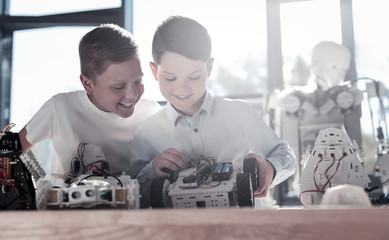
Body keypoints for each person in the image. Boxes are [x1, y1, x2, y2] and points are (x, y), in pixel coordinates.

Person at [129, 16, 297, 207]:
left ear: (209, 68)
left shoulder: (240, 114)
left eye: (193, 77)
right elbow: (132, 195)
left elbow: (287, 155)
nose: (181, 88)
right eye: (170, 78)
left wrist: (271, 168)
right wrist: (152, 169)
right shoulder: (146, 134)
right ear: (154, 71)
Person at [18, 23, 161, 186]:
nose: (132, 94)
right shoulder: (60, 108)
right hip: (64, 210)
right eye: (118, 87)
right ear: (88, 84)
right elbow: (12, 150)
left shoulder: (151, 113)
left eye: (138, 81)